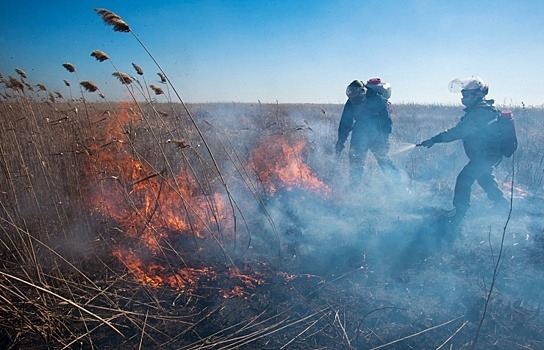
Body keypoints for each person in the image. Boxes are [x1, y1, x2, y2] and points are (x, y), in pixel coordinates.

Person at [418, 76, 509, 228]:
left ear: (479, 94)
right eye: (463, 94)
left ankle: (459, 214)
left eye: (467, 95)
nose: (463, 98)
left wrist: (435, 139)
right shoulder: (479, 110)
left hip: (487, 155)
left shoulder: (482, 112)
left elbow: (459, 131)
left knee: (464, 179)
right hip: (486, 154)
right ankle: (501, 203)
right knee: (484, 178)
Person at [335, 78, 399, 185]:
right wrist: (340, 141)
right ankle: (355, 186)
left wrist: (385, 140)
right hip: (359, 131)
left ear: (363, 93)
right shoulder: (350, 102)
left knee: (383, 159)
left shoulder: (378, 99)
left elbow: (386, 122)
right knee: (356, 160)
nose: (354, 101)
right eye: (352, 99)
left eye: (356, 98)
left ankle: (397, 182)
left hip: (377, 133)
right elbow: (345, 123)